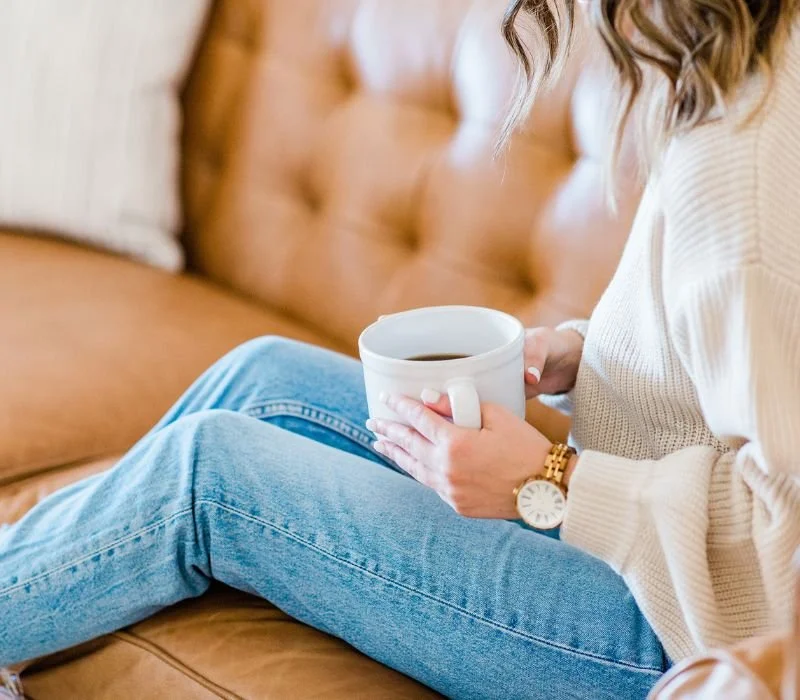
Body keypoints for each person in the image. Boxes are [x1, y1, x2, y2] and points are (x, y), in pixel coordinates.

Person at [2, 0, 800, 697]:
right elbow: (729, 371)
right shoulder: (735, 66)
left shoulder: (744, 162)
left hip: (672, 636)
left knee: (210, 474)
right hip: (644, 550)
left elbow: (784, 552)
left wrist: (550, 478)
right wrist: (584, 360)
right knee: (263, 373)